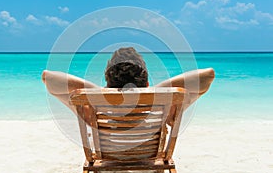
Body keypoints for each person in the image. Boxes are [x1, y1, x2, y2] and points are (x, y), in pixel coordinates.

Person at [42, 47, 215, 118]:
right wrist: (156, 91)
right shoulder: (163, 108)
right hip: (147, 161)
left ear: (107, 83)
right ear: (146, 82)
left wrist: (99, 92)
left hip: (108, 161)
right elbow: (207, 75)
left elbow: (48, 77)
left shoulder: (92, 109)